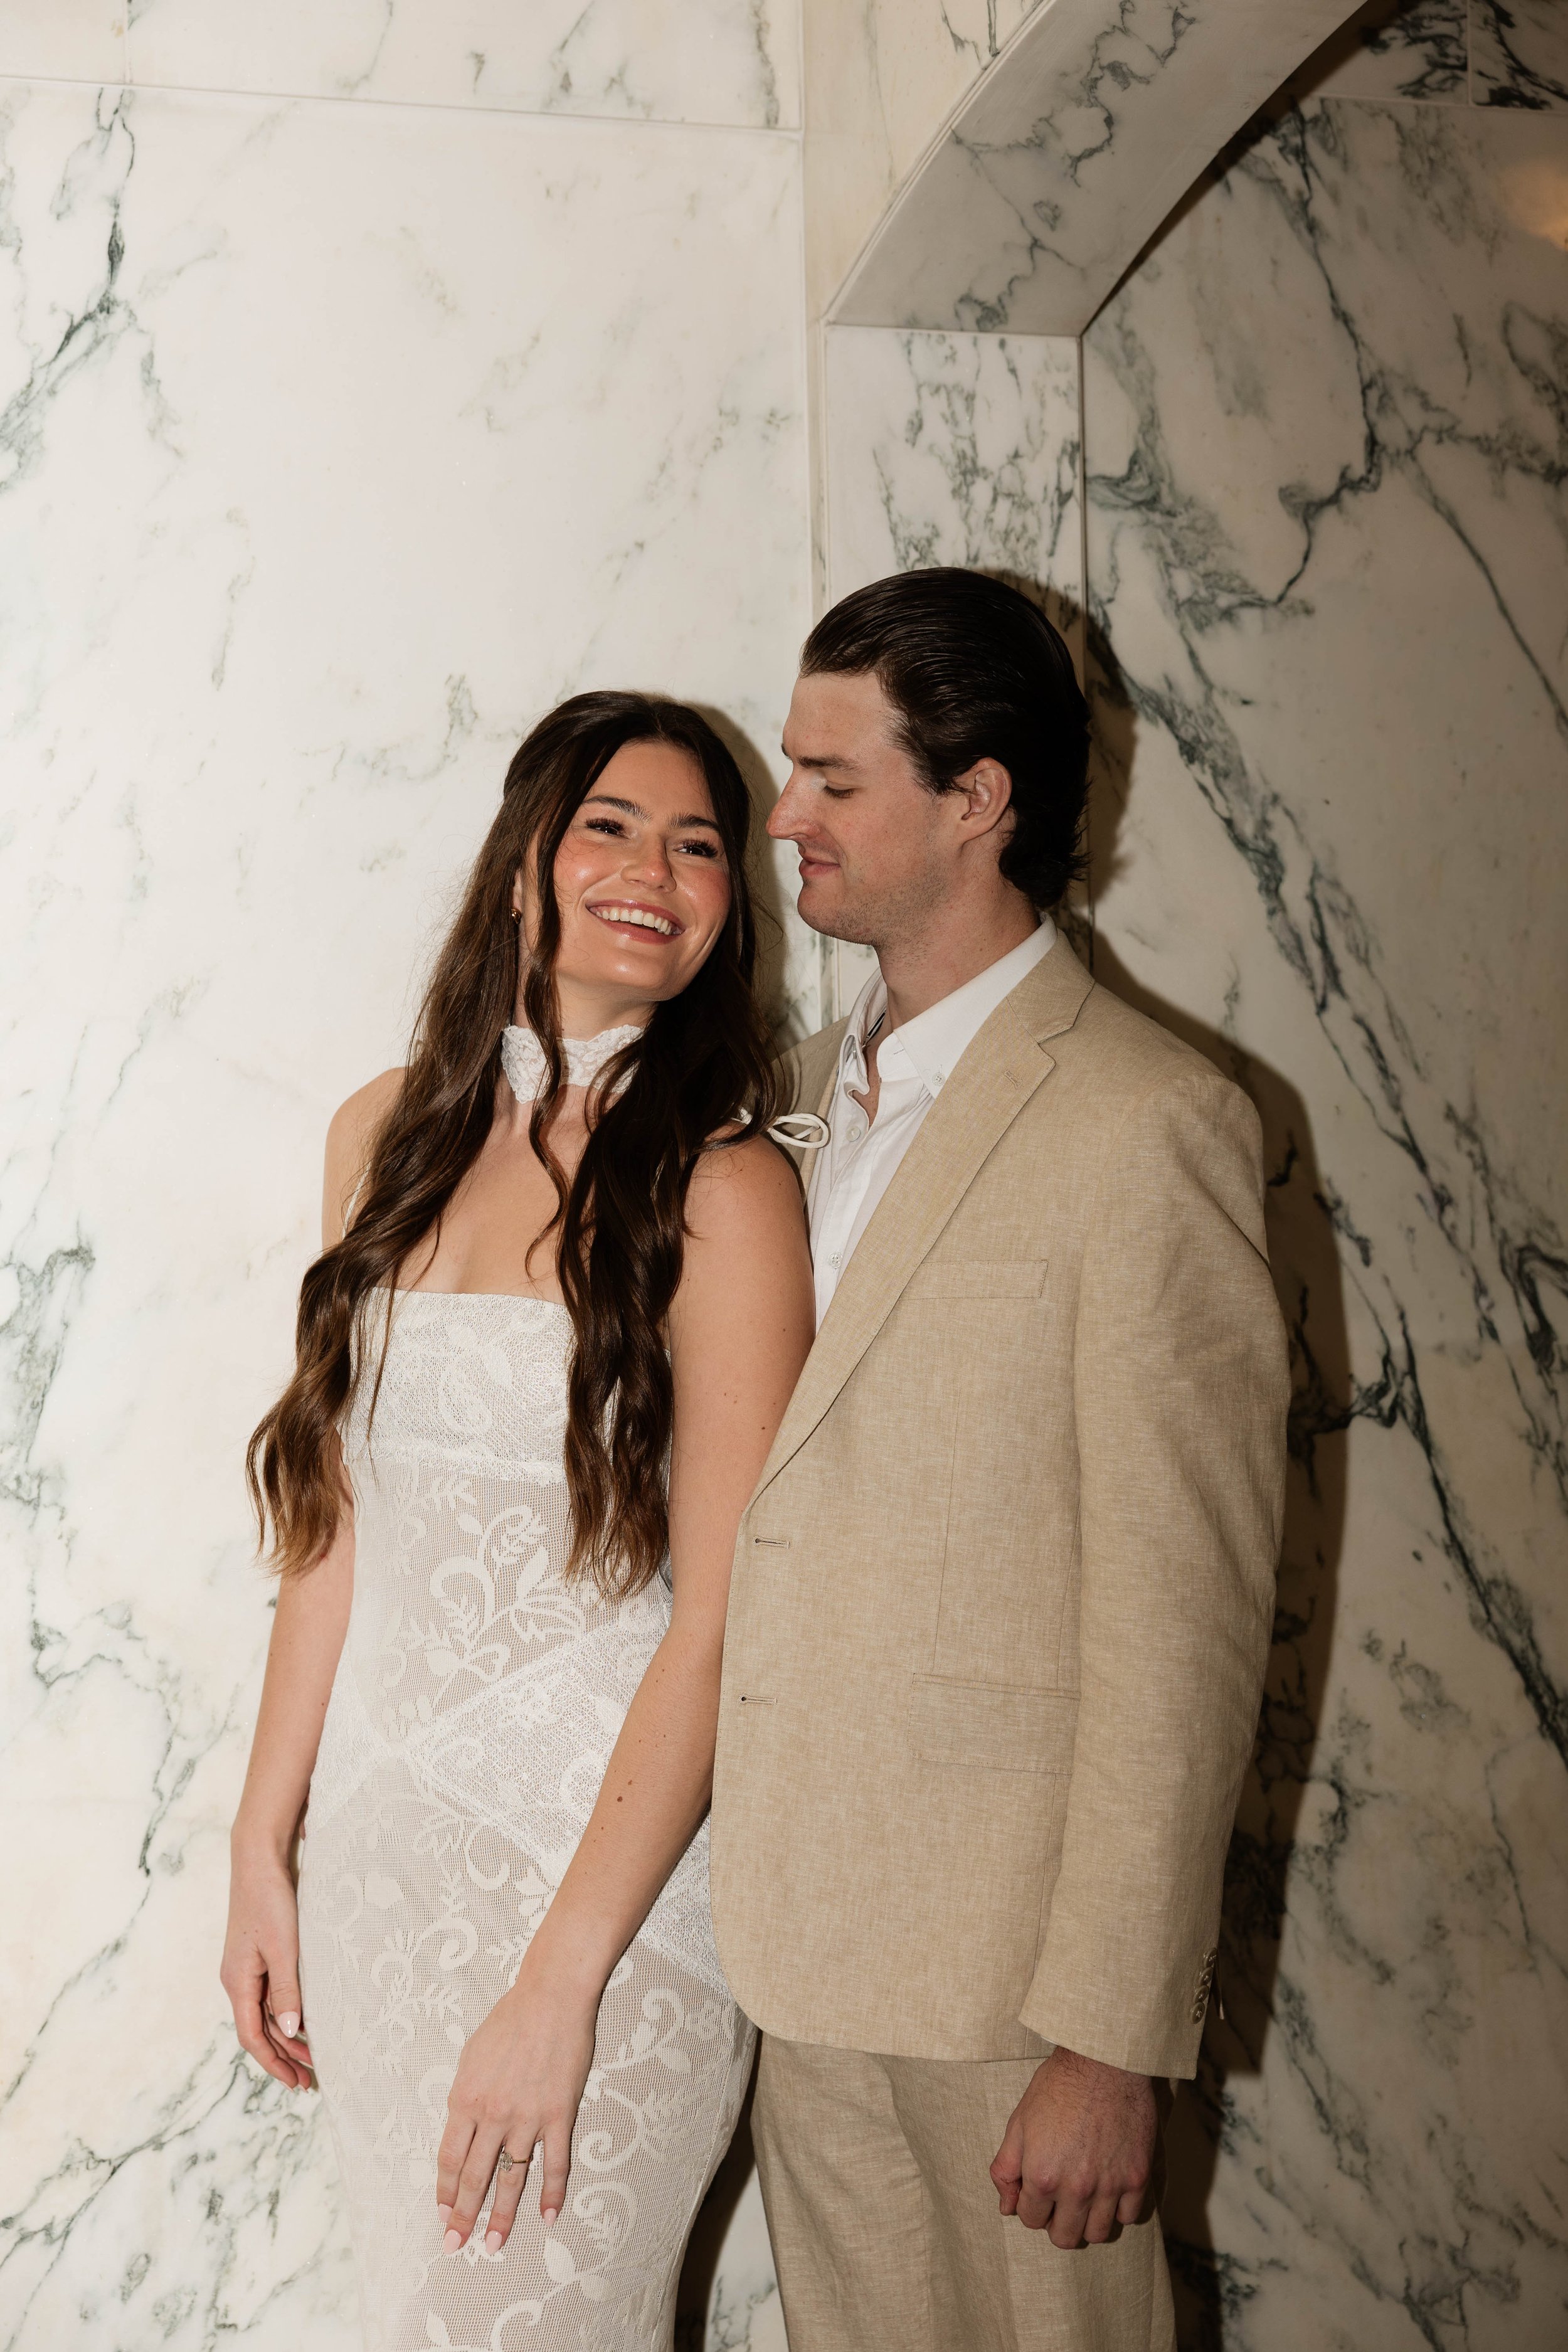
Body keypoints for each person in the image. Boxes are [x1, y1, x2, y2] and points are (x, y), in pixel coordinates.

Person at [710, 569, 1290, 2351]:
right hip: (795, 1951)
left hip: (1012, 1990)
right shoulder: (780, 1102)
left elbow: (1182, 1620)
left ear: (978, 801)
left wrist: (1111, 2036)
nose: (782, 818)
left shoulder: (1153, 1122)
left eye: (831, 780)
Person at [221, 693, 815, 2352]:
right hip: (386, 1883)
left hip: (610, 1909)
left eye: (701, 844)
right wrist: (263, 1844)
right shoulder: (383, 1134)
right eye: (613, 826)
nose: (659, 869)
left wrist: (564, 1985)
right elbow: (334, 1526)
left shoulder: (723, 1186)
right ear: (524, 864)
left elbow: (722, 1619)